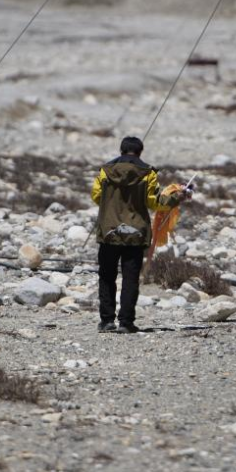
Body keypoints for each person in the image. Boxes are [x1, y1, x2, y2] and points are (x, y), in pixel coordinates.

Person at [90, 136, 186, 333]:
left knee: (106, 277)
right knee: (130, 279)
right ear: (140, 152)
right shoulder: (148, 173)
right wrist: (178, 197)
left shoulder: (105, 171)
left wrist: (111, 204)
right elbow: (154, 202)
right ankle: (126, 323)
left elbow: (97, 196)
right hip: (136, 234)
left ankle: (107, 321)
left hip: (108, 232)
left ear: (121, 150)